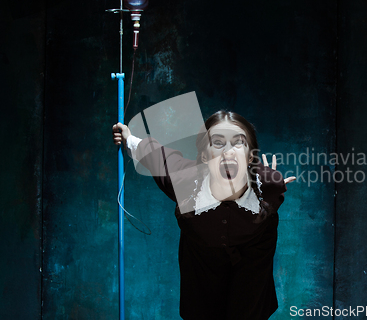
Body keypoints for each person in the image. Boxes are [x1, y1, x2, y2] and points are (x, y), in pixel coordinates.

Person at [112, 110, 295, 320]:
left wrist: (268, 191)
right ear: (205, 156)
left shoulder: (269, 186)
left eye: (238, 143)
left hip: (251, 297)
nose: (228, 151)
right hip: (201, 294)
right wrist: (128, 138)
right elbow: (157, 156)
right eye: (218, 143)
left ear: (250, 155)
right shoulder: (185, 181)